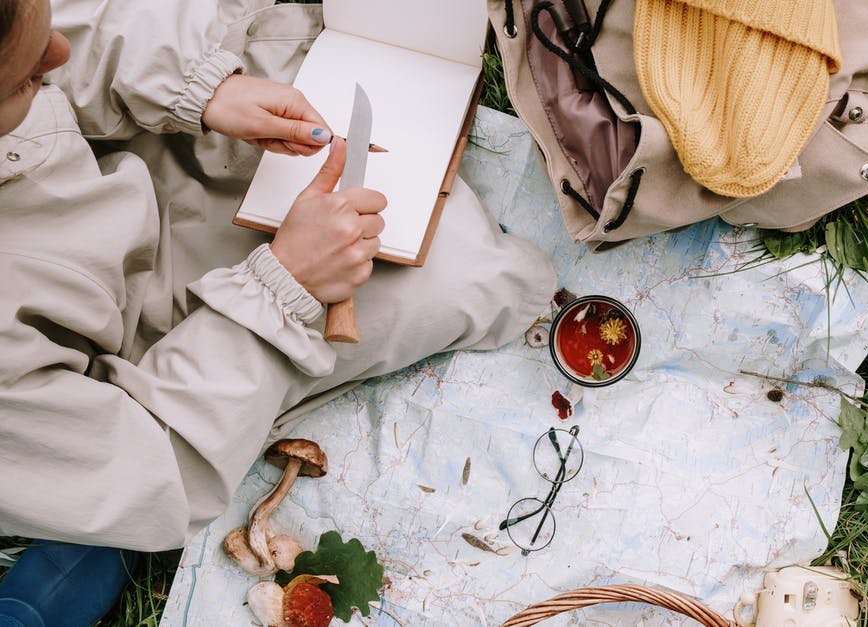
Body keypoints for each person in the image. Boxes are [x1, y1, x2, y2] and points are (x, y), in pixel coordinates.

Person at [0, 0, 556, 623]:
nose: (57, 56)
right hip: (152, 351)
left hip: (118, 156)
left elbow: (73, 35)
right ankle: (82, 531)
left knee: (335, 78)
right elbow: (145, 462)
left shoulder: (42, 58)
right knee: (472, 277)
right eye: (23, 74)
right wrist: (283, 286)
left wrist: (198, 87)